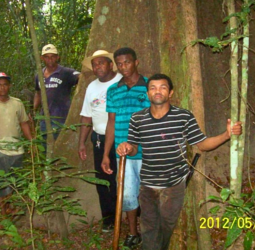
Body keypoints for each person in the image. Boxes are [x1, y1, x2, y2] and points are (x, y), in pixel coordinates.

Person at [116, 73, 243, 250]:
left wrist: (226, 135)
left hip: (173, 185)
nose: (157, 91)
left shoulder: (183, 117)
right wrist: (127, 147)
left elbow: (203, 144)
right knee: (148, 229)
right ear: (147, 94)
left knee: (166, 228)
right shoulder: (137, 118)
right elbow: (134, 146)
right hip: (147, 185)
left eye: (162, 87)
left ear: (171, 93)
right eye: (152, 88)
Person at [101, 47, 151, 248]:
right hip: (122, 154)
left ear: (136, 62)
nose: (124, 67)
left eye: (127, 62)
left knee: (149, 194)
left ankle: (151, 233)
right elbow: (111, 123)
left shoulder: (150, 86)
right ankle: (133, 233)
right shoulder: (113, 90)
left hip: (148, 152)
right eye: (120, 64)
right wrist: (106, 154)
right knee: (128, 195)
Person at [78, 50, 122, 232]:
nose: (97, 67)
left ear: (110, 64)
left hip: (122, 137)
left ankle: (135, 214)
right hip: (99, 139)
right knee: (104, 180)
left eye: (101, 63)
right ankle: (109, 219)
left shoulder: (121, 82)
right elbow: (87, 117)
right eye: (95, 64)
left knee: (127, 176)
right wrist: (82, 142)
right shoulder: (91, 87)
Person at [0, 72, 32, 215]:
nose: (2, 88)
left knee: (13, 181)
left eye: (5, 84)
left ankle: (10, 207)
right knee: (0, 181)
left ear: (9, 86)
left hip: (16, 149)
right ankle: (3, 210)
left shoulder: (17, 103)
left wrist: (31, 142)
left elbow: (24, 123)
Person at [33, 44, 80, 142]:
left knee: (61, 147)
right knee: (47, 147)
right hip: (45, 119)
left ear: (57, 57)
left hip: (62, 119)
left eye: (53, 56)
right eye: (46, 57)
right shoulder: (39, 75)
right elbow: (38, 93)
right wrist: (34, 109)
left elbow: (81, 77)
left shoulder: (65, 72)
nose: (50, 59)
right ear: (42, 58)